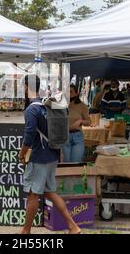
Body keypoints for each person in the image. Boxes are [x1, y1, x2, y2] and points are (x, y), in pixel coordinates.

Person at [19, 75, 81, 235]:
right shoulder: (47, 106)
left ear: (27, 87)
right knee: (50, 193)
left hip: (38, 157)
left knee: (33, 195)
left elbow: (30, 133)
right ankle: (73, 227)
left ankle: (25, 231)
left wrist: (22, 153)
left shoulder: (31, 109)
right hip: (52, 156)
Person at [62, 84, 90, 163]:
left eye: (71, 92)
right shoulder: (62, 105)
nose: (69, 94)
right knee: (66, 164)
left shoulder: (82, 106)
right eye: (67, 92)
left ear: (76, 93)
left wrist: (80, 121)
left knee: (76, 163)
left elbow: (89, 122)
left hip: (77, 136)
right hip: (65, 137)